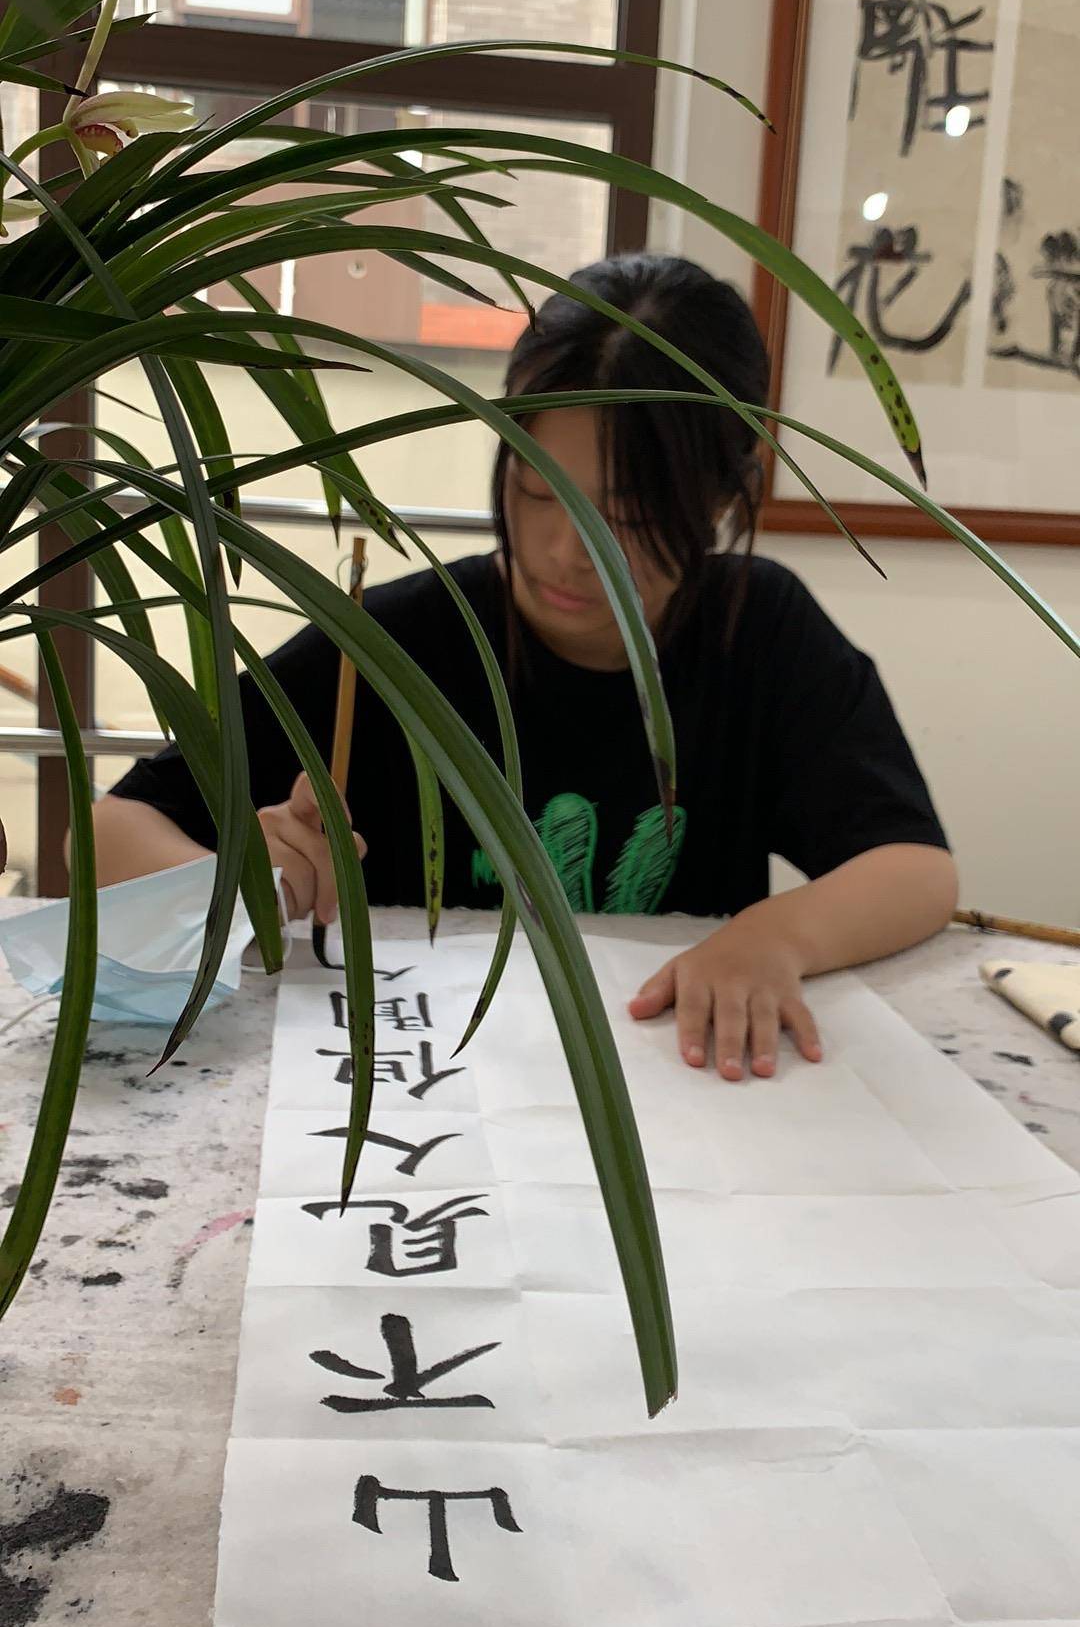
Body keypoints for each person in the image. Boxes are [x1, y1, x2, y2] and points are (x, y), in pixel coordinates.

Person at [87, 253, 957, 1080]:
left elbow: (915, 868)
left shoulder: (760, 630)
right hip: (423, 1086)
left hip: (670, 1089)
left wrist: (775, 939)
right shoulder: (393, 645)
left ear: (724, 497)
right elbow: (110, 831)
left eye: (629, 516)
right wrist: (234, 878)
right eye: (538, 490)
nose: (565, 550)